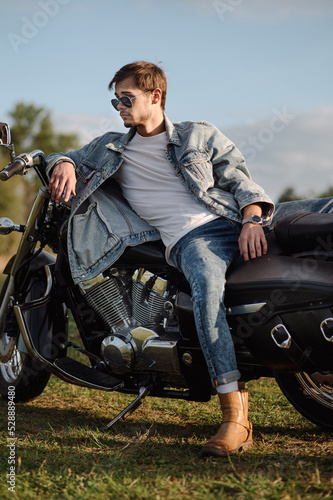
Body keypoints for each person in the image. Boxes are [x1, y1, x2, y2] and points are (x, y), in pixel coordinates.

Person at [47, 61, 333, 457]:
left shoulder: (197, 134)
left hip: (241, 217)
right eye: (116, 100)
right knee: (207, 293)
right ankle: (236, 418)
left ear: (155, 96)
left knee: (328, 210)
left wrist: (252, 218)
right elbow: (65, 155)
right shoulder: (111, 147)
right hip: (194, 239)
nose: (119, 107)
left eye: (127, 99)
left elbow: (238, 178)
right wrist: (61, 162)